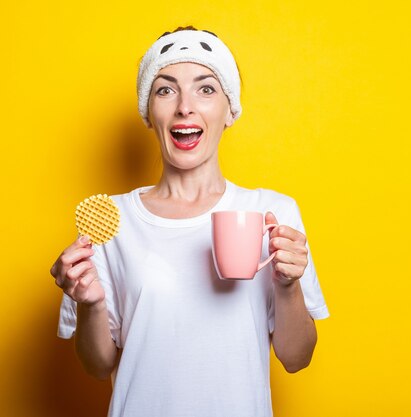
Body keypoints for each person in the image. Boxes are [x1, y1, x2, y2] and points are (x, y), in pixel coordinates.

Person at [50, 26, 329, 417]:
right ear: (148, 113)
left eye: (206, 88)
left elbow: (296, 358)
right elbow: (97, 366)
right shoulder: (110, 220)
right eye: (165, 90)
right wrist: (91, 303)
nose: (185, 107)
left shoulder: (272, 213)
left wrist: (287, 285)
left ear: (230, 110)